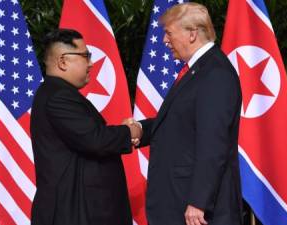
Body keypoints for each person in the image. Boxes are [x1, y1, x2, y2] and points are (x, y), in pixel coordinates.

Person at [125, 3, 243, 225]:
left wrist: (199, 201)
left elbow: (213, 143)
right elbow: (179, 123)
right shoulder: (198, 70)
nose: (164, 41)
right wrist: (140, 129)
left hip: (196, 209)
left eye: (169, 33)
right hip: (178, 200)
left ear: (192, 33)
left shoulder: (215, 73)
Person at [30, 28, 140, 225]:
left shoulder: (58, 92)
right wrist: (132, 131)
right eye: (85, 56)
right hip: (74, 213)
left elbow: (89, 136)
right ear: (63, 62)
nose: (90, 63)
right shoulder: (58, 96)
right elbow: (95, 140)